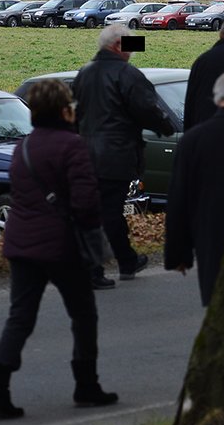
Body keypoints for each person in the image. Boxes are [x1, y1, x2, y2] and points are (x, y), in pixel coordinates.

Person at [0, 80, 117, 419]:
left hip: (21, 242)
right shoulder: (73, 146)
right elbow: (86, 202)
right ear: (65, 110)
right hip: (62, 246)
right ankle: (86, 384)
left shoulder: (22, 148)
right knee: (83, 315)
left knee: (20, 317)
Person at [73, 24, 175, 289]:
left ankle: (123, 260)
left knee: (99, 210)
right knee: (109, 212)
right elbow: (147, 107)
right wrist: (165, 127)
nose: (132, 52)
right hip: (115, 153)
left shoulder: (84, 73)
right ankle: (103, 266)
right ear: (118, 45)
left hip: (86, 153)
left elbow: (76, 113)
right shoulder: (127, 74)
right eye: (129, 46)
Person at [164, 69, 224, 306]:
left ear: (217, 100)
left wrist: (179, 253)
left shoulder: (193, 140)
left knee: (220, 306)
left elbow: (178, 200)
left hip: (212, 237)